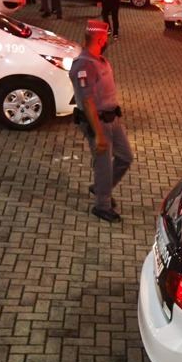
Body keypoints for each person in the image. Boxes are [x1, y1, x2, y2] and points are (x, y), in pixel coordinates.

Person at [68, 20, 133, 223]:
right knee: (103, 166)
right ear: (99, 39)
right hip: (97, 122)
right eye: (105, 38)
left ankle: (100, 187)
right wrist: (98, 134)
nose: (106, 42)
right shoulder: (84, 65)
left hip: (112, 119)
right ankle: (102, 206)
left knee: (125, 157)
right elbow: (86, 102)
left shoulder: (100, 60)